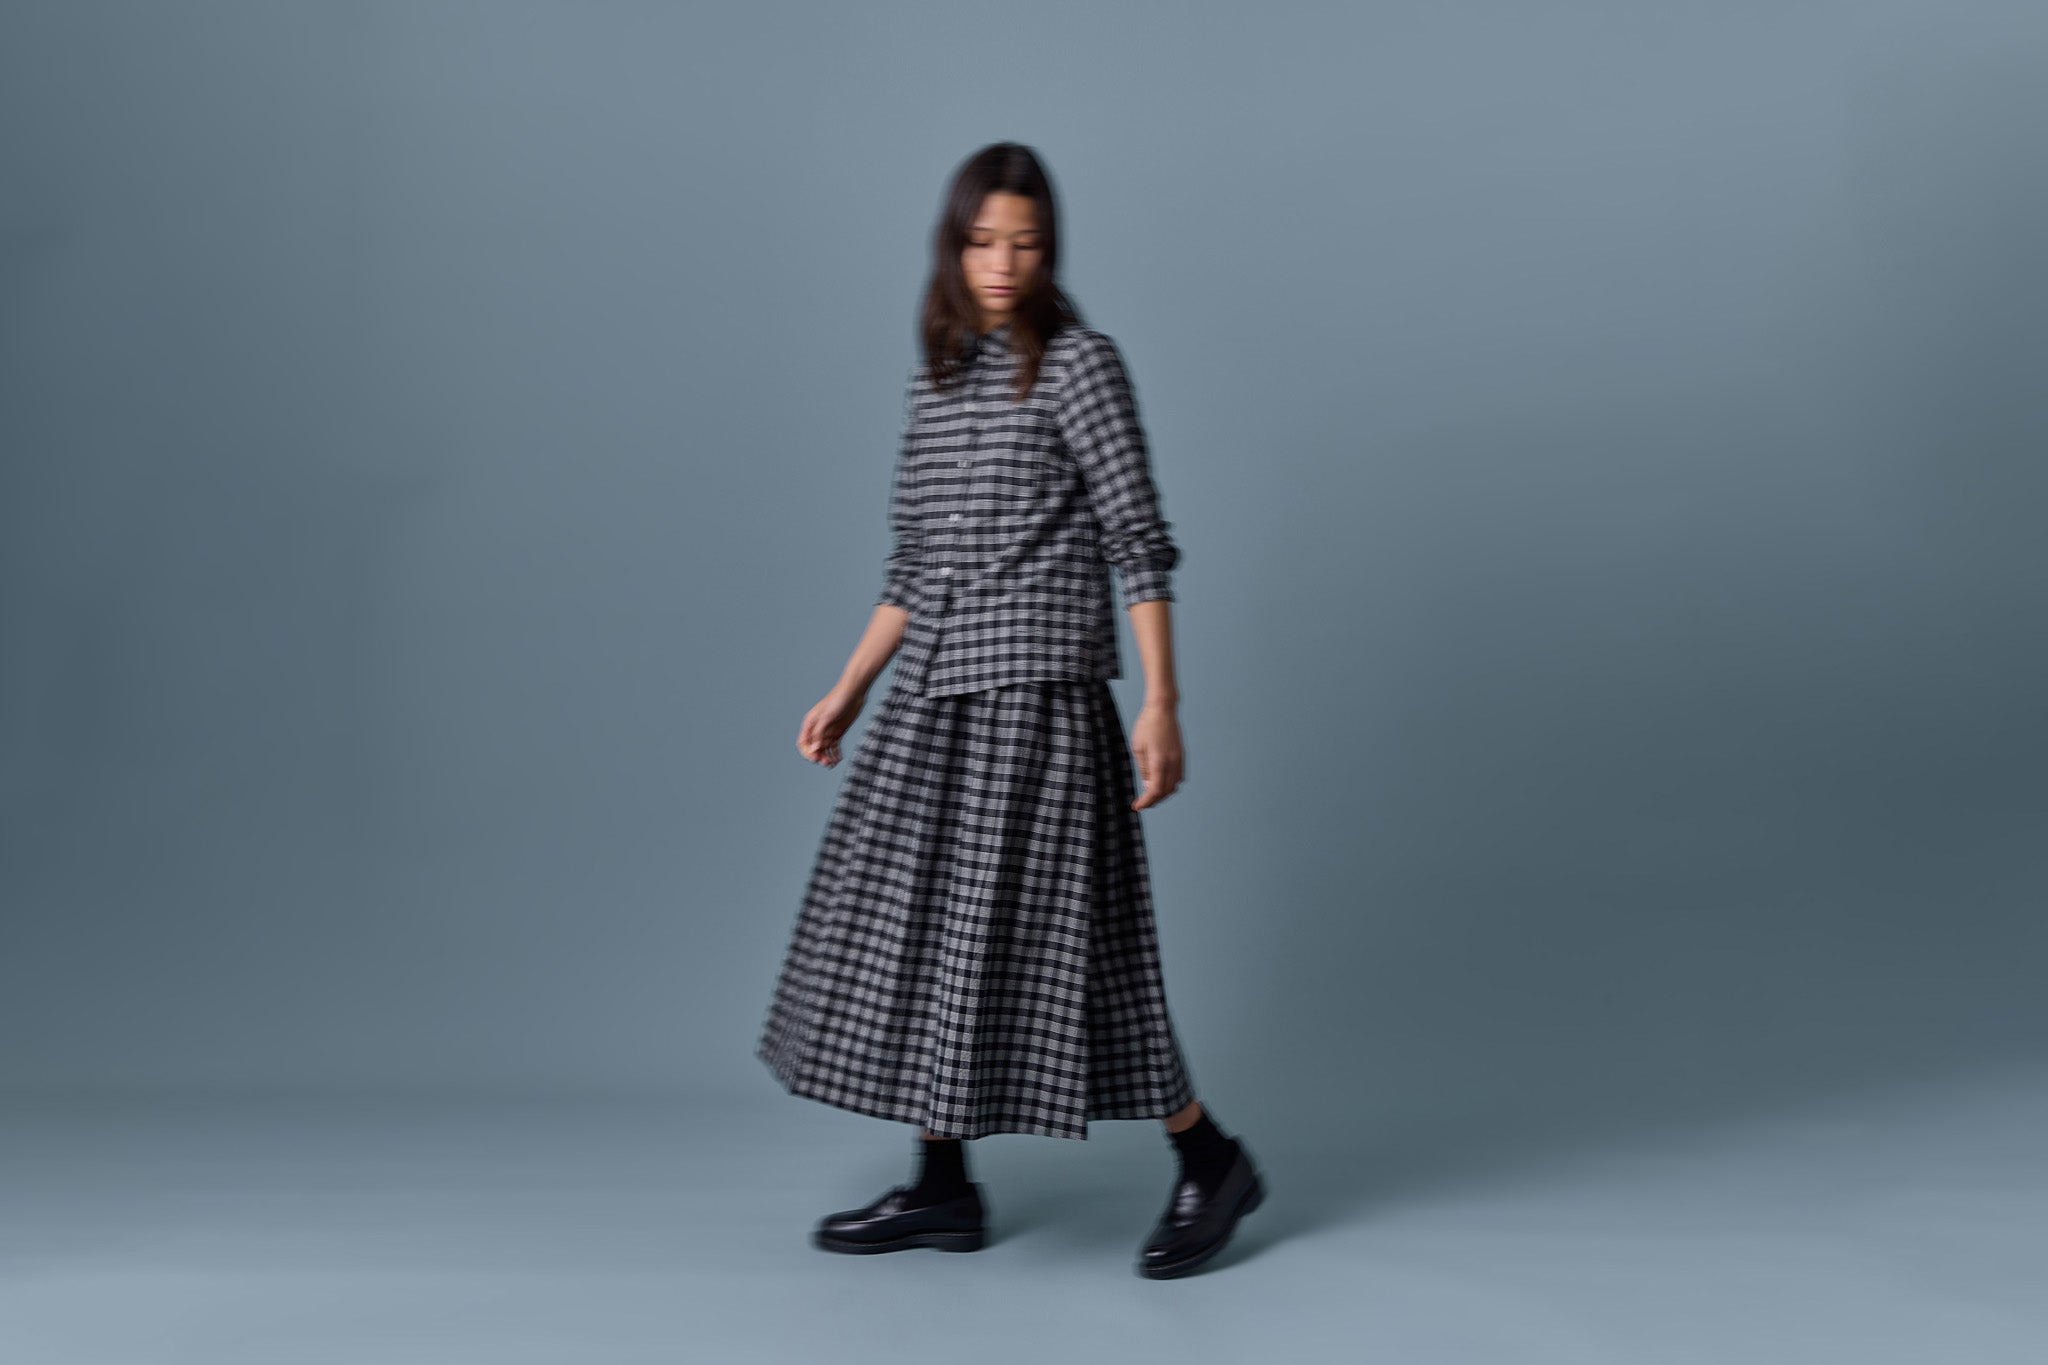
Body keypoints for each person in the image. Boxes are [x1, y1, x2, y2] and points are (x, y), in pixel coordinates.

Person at [756, 142, 1264, 1279]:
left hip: (1037, 697)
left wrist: (1161, 703)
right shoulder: (937, 383)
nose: (1002, 264)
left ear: (1050, 252)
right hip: (936, 696)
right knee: (920, 930)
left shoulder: (1080, 366)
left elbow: (1138, 539)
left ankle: (1209, 1158)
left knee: (1075, 949)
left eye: (1026, 245)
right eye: (983, 242)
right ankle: (942, 1184)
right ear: (953, 245)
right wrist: (849, 686)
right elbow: (913, 565)